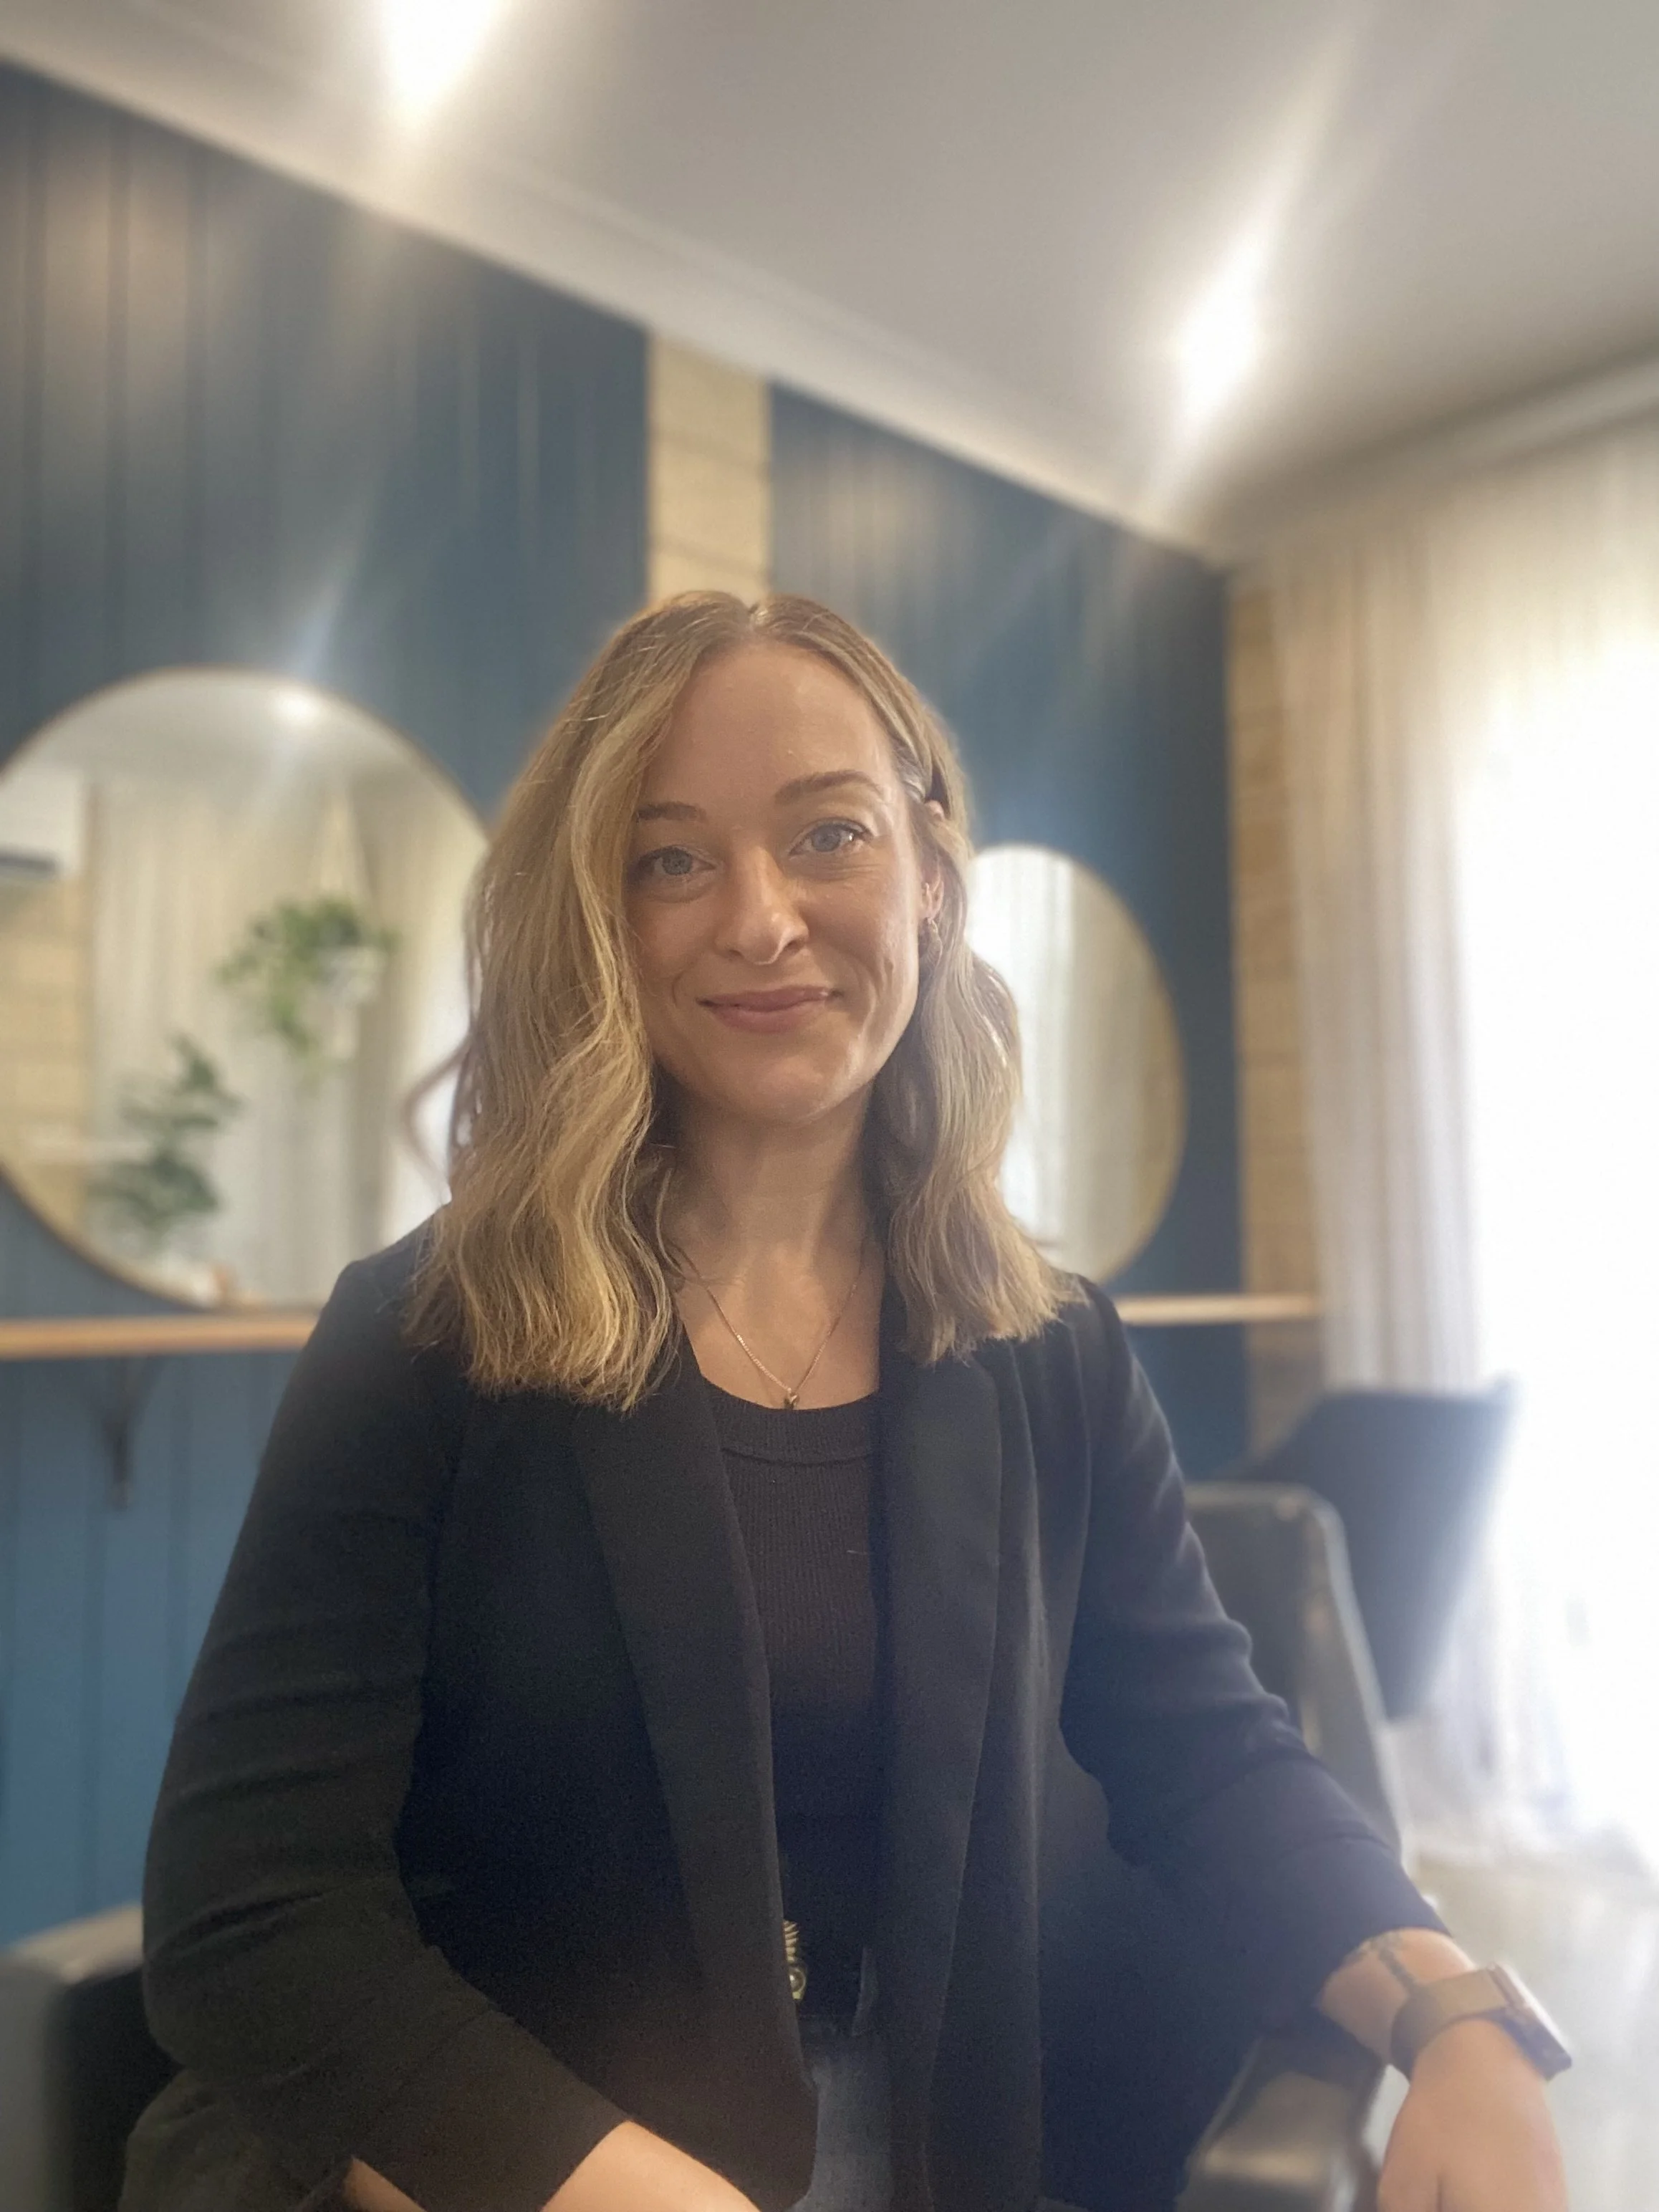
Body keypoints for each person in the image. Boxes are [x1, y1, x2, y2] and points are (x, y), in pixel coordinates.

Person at [120, 593, 1570, 2212]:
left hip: (951, 2136)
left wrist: (1460, 2016)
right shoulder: (424, 1336)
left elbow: (1211, 1752)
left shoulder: (1051, 1347)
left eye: (828, 834)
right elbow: (250, 1904)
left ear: (930, 884)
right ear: (596, 914)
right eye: (671, 857)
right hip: (512, 2155)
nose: (759, 918)